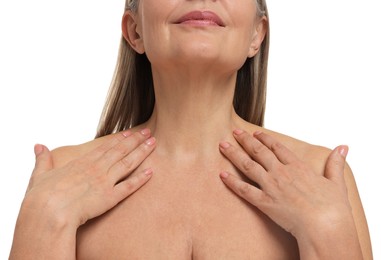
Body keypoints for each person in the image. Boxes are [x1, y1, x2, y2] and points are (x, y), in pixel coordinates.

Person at [9, 0, 373, 259]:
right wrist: (47, 219)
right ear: (134, 31)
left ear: (256, 35)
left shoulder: (322, 178)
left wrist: (329, 233)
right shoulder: (60, 181)